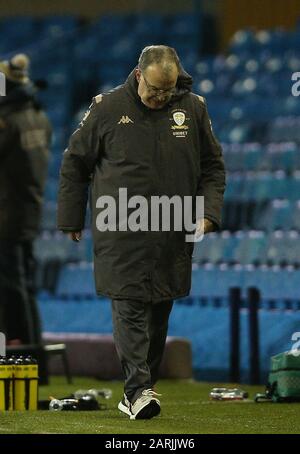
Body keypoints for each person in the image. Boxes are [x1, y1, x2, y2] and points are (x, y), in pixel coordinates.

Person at [57, 45, 226, 419]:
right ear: (138, 75)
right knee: (130, 304)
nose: (160, 97)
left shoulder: (194, 109)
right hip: (121, 228)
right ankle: (138, 391)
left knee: (158, 310)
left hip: (172, 229)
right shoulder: (107, 108)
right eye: (154, 90)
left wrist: (208, 213)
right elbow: (74, 163)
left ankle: (140, 389)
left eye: (167, 91)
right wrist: (71, 218)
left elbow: (213, 167)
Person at [0, 54, 52, 346]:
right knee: (24, 288)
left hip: (6, 216)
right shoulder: (38, 117)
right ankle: (36, 362)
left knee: (11, 290)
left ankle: (21, 357)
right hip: (28, 212)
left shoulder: (8, 124)